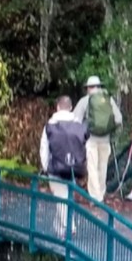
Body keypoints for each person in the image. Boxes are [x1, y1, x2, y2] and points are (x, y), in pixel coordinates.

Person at [39, 94, 86, 237]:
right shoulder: (79, 125)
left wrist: (46, 167)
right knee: (65, 195)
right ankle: (58, 228)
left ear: (58, 107)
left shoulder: (50, 125)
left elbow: (44, 148)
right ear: (71, 108)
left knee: (61, 195)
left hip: (56, 167)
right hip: (74, 167)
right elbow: (86, 146)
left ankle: (68, 226)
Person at [71, 74, 119, 202]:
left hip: (91, 139)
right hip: (106, 139)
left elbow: (75, 120)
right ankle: (101, 194)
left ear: (88, 88)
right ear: (99, 87)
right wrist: (109, 128)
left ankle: (95, 198)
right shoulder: (109, 100)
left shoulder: (85, 101)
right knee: (102, 167)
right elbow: (118, 119)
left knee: (92, 167)